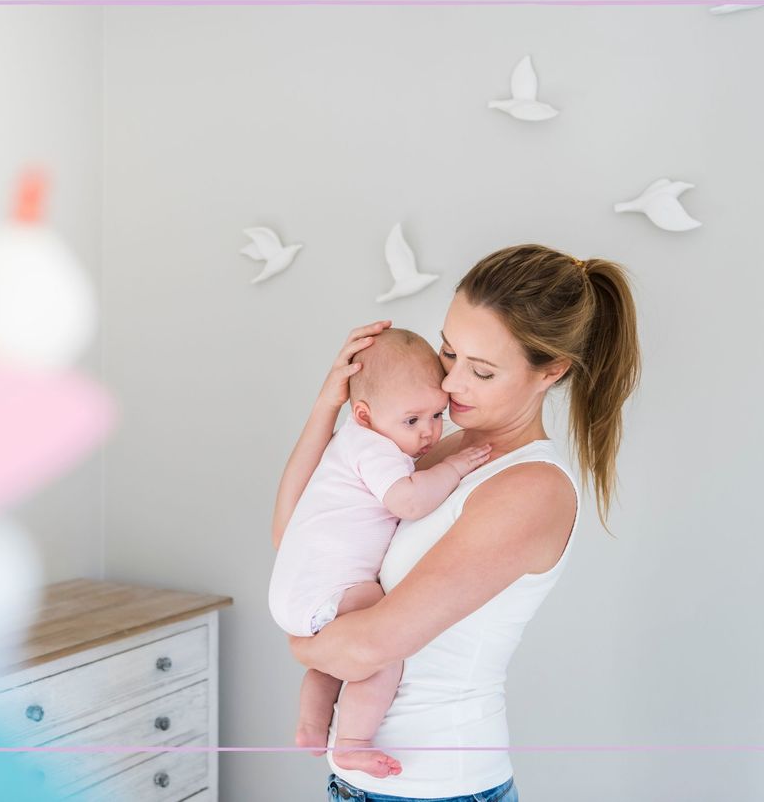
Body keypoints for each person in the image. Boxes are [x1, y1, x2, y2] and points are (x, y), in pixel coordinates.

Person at [274, 244, 641, 801]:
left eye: (483, 370)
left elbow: (367, 647)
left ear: (553, 371)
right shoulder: (435, 447)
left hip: (437, 790)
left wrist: (303, 641)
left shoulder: (530, 488)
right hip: (362, 786)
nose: (449, 385)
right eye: (449, 353)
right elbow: (297, 534)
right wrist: (331, 403)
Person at [268, 328, 493, 778]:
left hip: (298, 594)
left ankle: (312, 727)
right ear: (365, 415)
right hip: (331, 590)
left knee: (333, 663)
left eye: (436, 414)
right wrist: (452, 467)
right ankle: (351, 742)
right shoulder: (377, 448)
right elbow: (408, 501)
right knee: (382, 657)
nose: (428, 431)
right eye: (412, 420)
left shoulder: (354, 439)